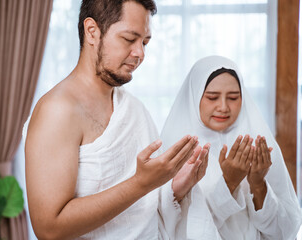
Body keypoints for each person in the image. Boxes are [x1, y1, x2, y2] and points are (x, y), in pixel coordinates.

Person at [24, 0, 210, 239]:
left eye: (144, 42)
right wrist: (140, 184)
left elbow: (142, 212)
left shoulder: (133, 108)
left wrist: (176, 187)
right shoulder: (57, 111)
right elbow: (49, 228)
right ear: (92, 31)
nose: (140, 53)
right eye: (129, 39)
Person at [161, 55, 302, 239]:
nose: (223, 107)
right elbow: (178, 228)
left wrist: (258, 185)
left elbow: (284, 231)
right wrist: (229, 181)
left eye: (233, 97)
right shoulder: (175, 151)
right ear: (194, 97)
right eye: (212, 97)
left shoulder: (257, 147)